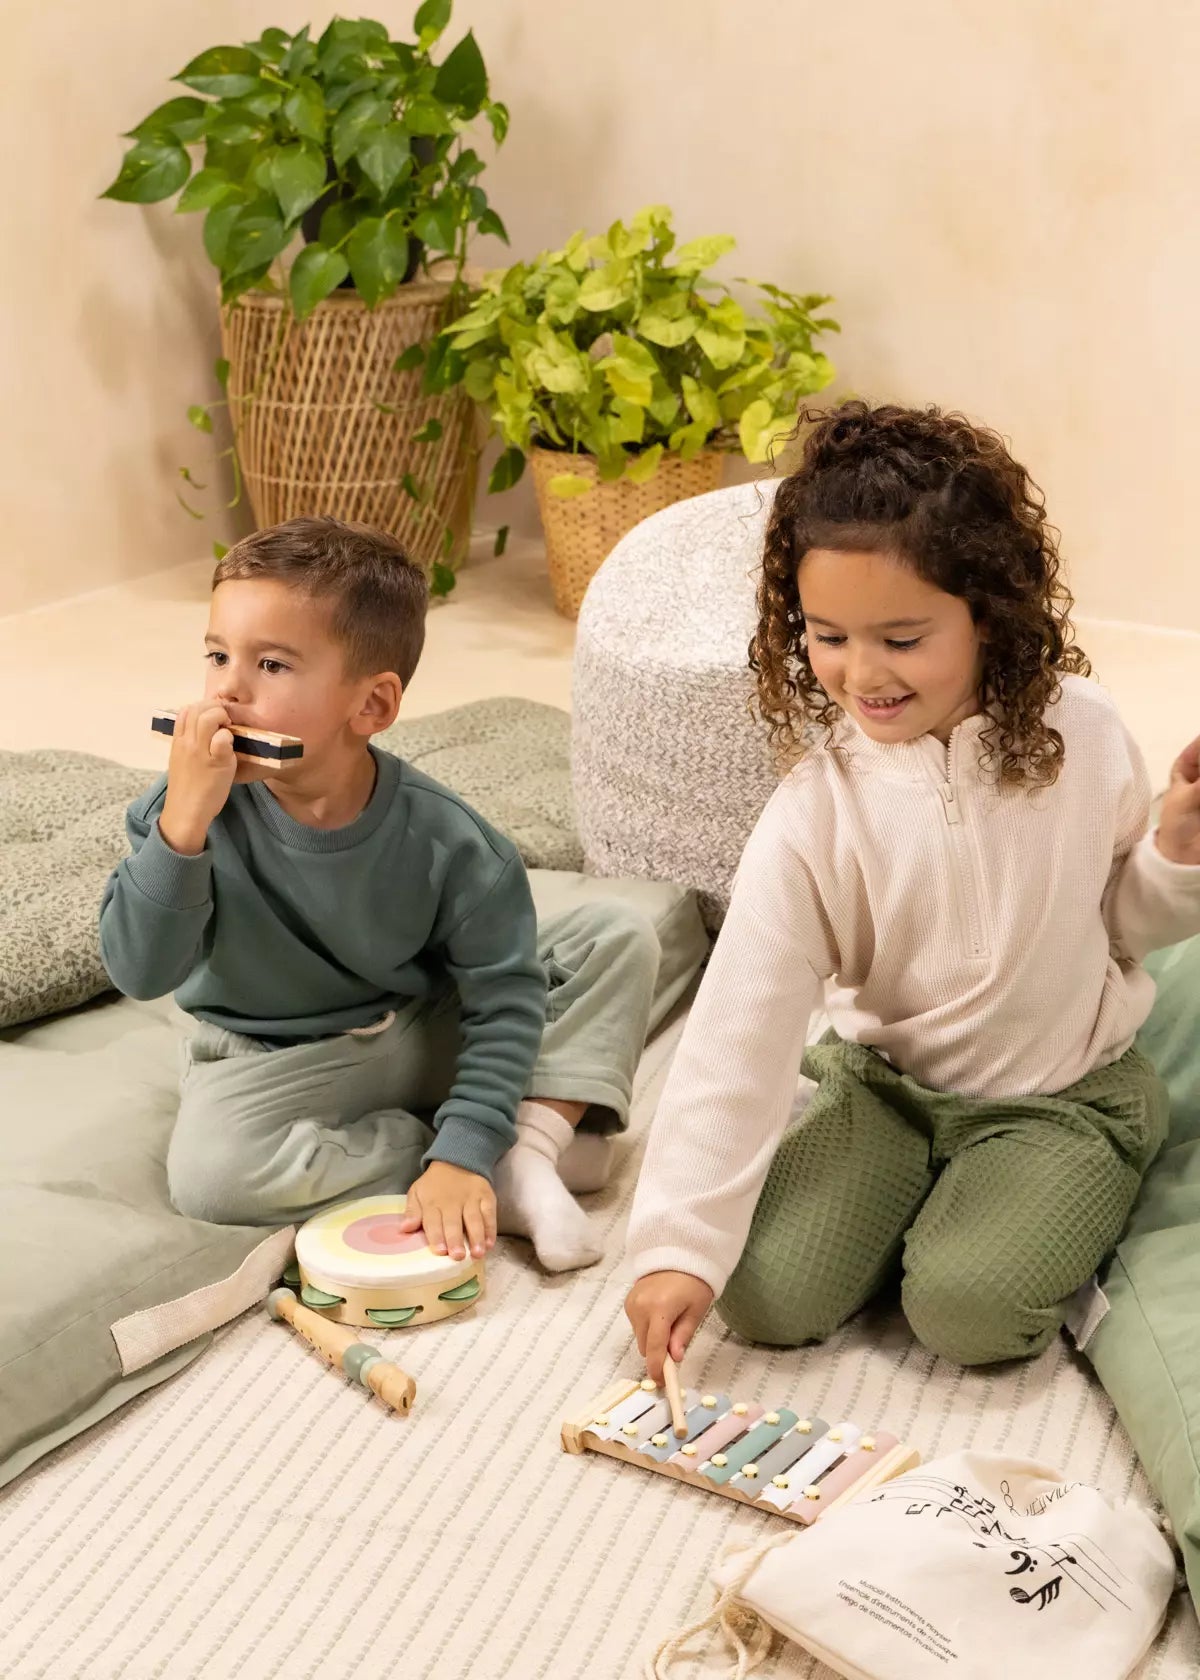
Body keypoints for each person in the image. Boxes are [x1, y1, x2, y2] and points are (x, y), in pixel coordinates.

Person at [625, 400, 1200, 1377]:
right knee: (758, 1292)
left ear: (989, 613)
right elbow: (738, 1032)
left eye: (901, 637)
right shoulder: (818, 810)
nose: (861, 674)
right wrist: (677, 1248)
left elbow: (1118, 926)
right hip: (887, 1095)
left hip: (1059, 1098)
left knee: (968, 1313)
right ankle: (935, 1200)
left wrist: (1176, 857)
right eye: (830, 636)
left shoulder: (1086, 735)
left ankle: (1015, 1201)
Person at [100, 515, 665, 1272]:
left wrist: (466, 1143)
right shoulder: (179, 813)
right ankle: (508, 1150)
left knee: (618, 932)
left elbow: (502, 1003)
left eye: (271, 665)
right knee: (212, 1177)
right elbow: (140, 973)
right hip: (267, 1060)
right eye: (217, 654)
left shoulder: (453, 841)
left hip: (416, 1027)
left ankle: (515, 1148)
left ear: (370, 707)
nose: (228, 690)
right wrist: (184, 828)